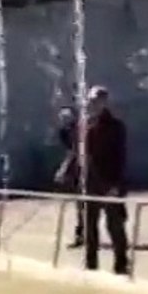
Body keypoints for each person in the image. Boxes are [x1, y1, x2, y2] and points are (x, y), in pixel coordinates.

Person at [80, 86, 129, 274]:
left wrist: (116, 184)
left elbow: (120, 157)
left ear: (104, 102)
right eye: (91, 100)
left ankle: (121, 263)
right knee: (90, 225)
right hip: (91, 183)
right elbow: (82, 155)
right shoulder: (87, 125)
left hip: (110, 182)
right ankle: (91, 264)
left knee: (114, 225)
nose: (93, 104)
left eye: (97, 100)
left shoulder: (116, 126)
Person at [51, 106, 85, 248]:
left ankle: (83, 234)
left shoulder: (80, 129)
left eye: (67, 116)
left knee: (87, 203)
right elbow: (71, 151)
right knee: (80, 203)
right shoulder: (63, 132)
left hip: (88, 169)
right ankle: (81, 235)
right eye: (62, 117)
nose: (64, 119)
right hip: (77, 170)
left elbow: (76, 151)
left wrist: (63, 169)